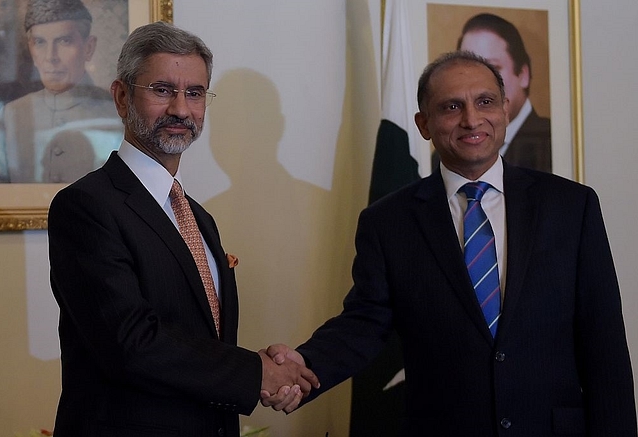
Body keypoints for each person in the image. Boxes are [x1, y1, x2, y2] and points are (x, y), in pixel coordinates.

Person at [262, 51, 637, 436]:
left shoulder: (571, 206)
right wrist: (301, 366)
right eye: (451, 107)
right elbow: (364, 324)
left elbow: (604, 342)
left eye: (485, 102)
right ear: (423, 124)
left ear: (506, 110)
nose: (472, 119)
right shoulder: (388, 221)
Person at [47, 21, 318, 437]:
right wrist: (253, 373)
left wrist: (259, 365)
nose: (180, 109)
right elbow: (131, 343)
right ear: (121, 98)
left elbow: (195, 337)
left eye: (194, 93)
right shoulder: (85, 206)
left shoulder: (197, 216)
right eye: (161, 90)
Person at [0, 0, 122, 183]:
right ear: (31, 48)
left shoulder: (115, 113)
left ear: (88, 47)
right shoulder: (11, 114)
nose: (51, 57)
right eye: (40, 42)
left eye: (64, 41)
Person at [431, 13, 552, 173]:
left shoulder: (551, 140)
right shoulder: (441, 155)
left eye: (492, 68)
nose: (476, 80)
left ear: (523, 74)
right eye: (467, 69)